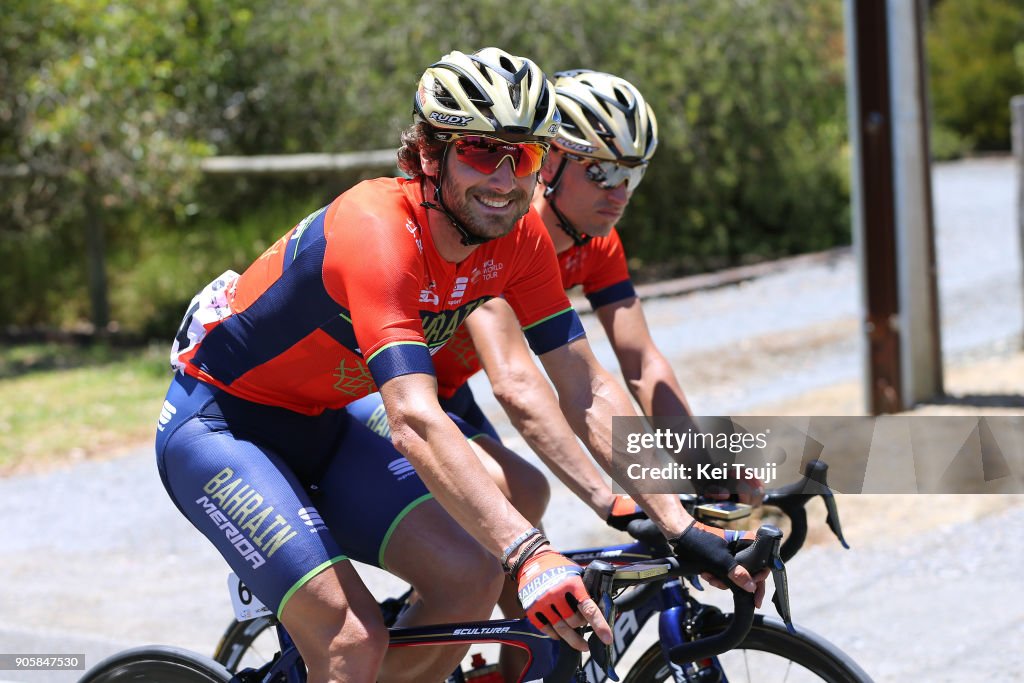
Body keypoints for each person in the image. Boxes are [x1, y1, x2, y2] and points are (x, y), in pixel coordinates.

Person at [155, 49, 764, 683]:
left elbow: (584, 384)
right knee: (351, 640)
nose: (503, 180)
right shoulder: (376, 229)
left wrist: (676, 520)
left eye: (522, 155)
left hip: (323, 425)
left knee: (471, 577)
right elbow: (416, 417)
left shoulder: (520, 240)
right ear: (428, 152)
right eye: (479, 151)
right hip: (222, 428)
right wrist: (530, 554)